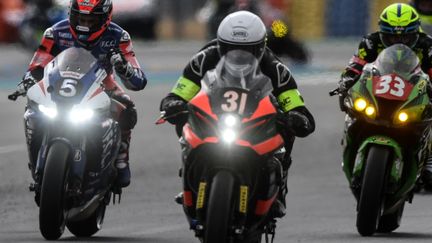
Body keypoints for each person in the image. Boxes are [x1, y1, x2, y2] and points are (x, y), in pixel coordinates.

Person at [160, 10, 315, 218]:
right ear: (220, 44)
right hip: (216, 109)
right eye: (232, 49)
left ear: (261, 46)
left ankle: (279, 188)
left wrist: (297, 116)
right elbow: (179, 91)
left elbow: (296, 105)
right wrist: (174, 103)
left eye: (248, 51)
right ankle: (189, 172)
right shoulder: (205, 55)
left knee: (287, 128)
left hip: (254, 111)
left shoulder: (275, 62)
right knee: (184, 114)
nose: (239, 56)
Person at [18, 0, 147, 188]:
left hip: (101, 84)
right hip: (58, 81)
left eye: (91, 20)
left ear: (105, 19)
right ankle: (36, 152)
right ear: (71, 14)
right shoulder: (54, 32)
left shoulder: (119, 36)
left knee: (127, 107)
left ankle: (122, 157)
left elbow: (138, 81)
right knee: (32, 105)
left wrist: (123, 68)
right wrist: (28, 79)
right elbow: (37, 65)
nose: (84, 25)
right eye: (80, 18)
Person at [337, 2, 432, 190]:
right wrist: (345, 82)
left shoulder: (427, 45)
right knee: (353, 109)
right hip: (377, 91)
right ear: (382, 32)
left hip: (412, 94)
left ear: (415, 33)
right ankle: (352, 143)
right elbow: (355, 66)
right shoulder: (370, 42)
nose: (398, 42)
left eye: (405, 37)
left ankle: (428, 160)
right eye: (391, 37)